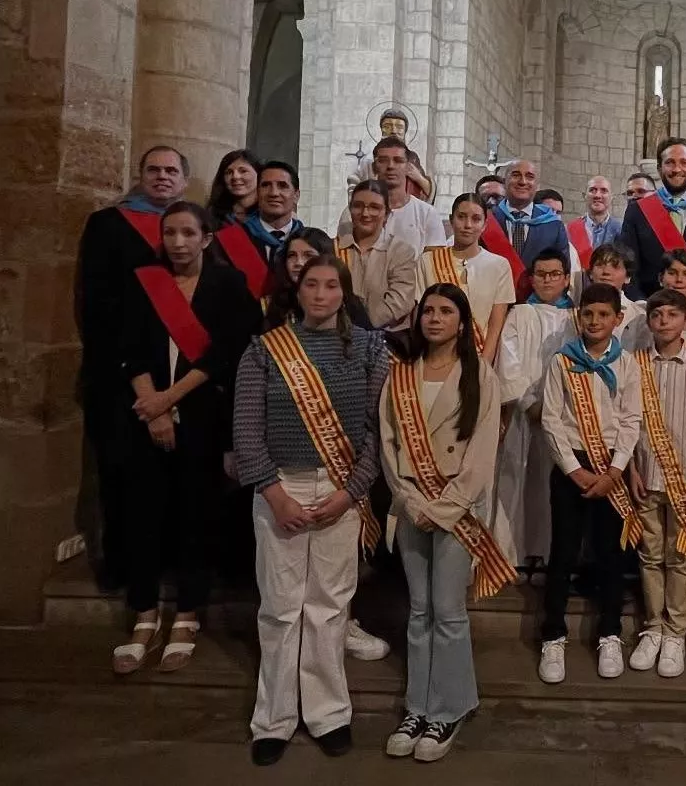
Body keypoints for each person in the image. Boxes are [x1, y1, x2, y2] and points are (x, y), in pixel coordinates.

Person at [234, 254, 390, 766]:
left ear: (344, 292)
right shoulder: (263, 350)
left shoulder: (370, 349)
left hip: (340, 489)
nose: (320, 294)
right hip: (279, 487)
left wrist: (351, 492)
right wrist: (273, 493)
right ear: (296, 292)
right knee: (280, 607)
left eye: (330, 285)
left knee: (329, 608)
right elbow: (247, 430)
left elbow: (376, 431)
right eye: (311, 285)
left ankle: (327, 714)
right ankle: (274, 718)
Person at [111, 201, 261, 675]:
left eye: (187, 234)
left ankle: (188, 615)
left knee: (196, 514)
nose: (178, 242)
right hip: (144, 413)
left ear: (206, 239)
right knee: (143, 513)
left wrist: (170, 399)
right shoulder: (144, 282)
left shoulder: (227, 285)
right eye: (170, 233)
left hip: (201, 412)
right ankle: (144, 613)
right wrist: (150, 404)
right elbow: (128, 347)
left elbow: (227, 352)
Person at [380, 284, 514, 763]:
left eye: (446, 311)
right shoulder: (401, 374)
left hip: (457, 510)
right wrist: (408, 497)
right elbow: (390, 444)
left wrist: (446, 505)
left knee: (448, 612)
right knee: (418, 611)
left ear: (462, 320)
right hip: (412, 504)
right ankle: (418, 705)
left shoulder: (480, 374)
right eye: (428, 311)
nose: (435, 318)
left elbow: (481, 453)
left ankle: (451, 706)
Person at [77, 145, 190, 588]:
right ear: (140, 175)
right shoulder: (109, 224)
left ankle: (168, 561)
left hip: (179, 375)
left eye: (171, 171)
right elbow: (95, 301)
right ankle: (123, 564)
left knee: (173, 477)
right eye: (153, 170)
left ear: (183, 181)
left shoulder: (192, 227)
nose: (162, 177)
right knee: (122, 471)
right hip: (119, 371)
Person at [537, 283, 643, 684]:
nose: (595, 321)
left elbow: (631, 420)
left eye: (604, 315)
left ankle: (610, 632)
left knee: (610, 554)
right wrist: (573, 470)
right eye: (588, 314)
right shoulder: (562, 362)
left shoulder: (628, 363)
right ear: (577, 317)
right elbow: (551, 420)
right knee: (563, 552)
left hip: (611, 467)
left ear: (618, 319)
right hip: (573, 468)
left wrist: (615, 471)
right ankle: (553, 635)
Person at [626, 289, 686, 679]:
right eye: (657, 314)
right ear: (648, 322)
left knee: (680, 556)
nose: (663, 321)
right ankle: (654, 627)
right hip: (644, 470)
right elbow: (625, 419)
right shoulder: (634, 363)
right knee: (649, 553)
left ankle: (676, 633)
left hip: (684, 475)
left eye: (672, 315)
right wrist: (629, 468)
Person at [494, 249, 577, 570]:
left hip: (563, 418)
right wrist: (528, 402)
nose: (547, 280)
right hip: (523, 416)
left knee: (553, 488)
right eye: (540, 274)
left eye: (554, 274)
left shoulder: (575, 317)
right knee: (518, 478)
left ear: (566, 279)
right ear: (531, 278)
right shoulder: (518, 314)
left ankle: (548, 555)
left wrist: (556, 407)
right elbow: (508, 362)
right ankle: (511, 554)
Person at [618, 138, 686, 312]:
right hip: (648, 310)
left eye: (684, 163)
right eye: (670, 163)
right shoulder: (637, 211)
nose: (677, 169)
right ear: (659, 168)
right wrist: (639, 303)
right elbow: (629, 267)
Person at [413, 193, 514, 362]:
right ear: (451, 220)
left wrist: (484, 366)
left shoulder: (499, 265)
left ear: (484, 224)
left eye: (476, 219)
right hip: (434, 356)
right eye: (461, 217)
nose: (468, 225)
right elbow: (419, 313)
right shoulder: (428, 261)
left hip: (478, 356)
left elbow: (496, 325)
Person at [339, 137, 447, 254]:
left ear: (408, 167)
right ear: (374, 167)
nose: (390, 166)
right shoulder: (353, 213)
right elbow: (344, 257)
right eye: (383, 160)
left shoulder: (427, 214)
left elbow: (434, 263)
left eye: (398, 160)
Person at [335, 179, 419, 330]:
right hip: (335, 335)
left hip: (385, 339)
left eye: (374, 207)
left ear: (386, 214)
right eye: (358, 206)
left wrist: (360, 328)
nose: (365, 213)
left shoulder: (401, 251)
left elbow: (400, 301)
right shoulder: (333, 249)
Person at [216, 160, 304, 301]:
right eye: (266, 185)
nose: (274, 193)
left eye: (282, 186)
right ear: (257, 193)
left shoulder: (312, 243)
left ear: (296, 196)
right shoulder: (226, 241)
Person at [486, 159, 570, 300]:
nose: (523, 181)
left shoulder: (553, 225)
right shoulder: (488, 220)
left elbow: (563, 274)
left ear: (537, 185)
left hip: (537, 308)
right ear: (504, 181)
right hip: (492, 303)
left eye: (530, 177)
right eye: (516, 175)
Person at [265, 228, 372, 332]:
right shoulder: (275, 304)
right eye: (292, 255)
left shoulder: (349, 303)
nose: (298, 262)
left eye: (308, 255)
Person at [585, 242, 645, 340]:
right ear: (591, 273)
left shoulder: (640, 316)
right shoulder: (574, 316)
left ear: (628, 277)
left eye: (615, 267)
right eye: (600, 265)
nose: (606, 272)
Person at [568, 175, 622, 271]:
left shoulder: (621, 229)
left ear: (611, 197)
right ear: (584, 195)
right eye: (592, 190)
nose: (597, 195)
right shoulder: (570, 229)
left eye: (604, 191)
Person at [207, 149, 262, 227]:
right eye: (229, 172)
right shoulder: (213, 214)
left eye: (243, 171)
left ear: (259, 174)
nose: (235, 177)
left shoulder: (268, 213)